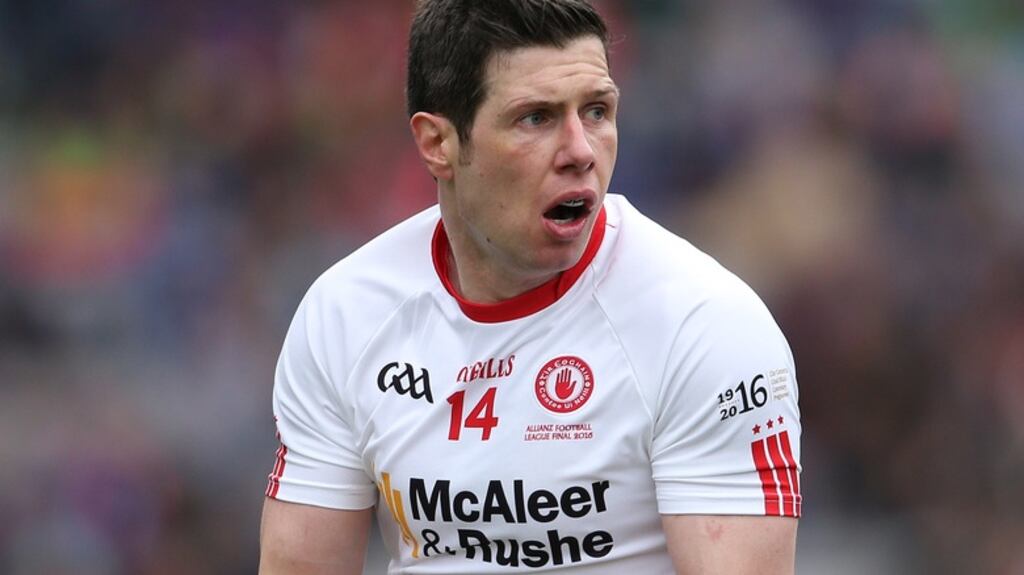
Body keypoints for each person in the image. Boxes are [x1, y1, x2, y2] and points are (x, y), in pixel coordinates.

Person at [258, 0, 802, 573]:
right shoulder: (346, 314)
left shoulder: (704, 324)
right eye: (536, 118)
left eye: (596, 111)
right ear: (438, 144)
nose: (580, 152)